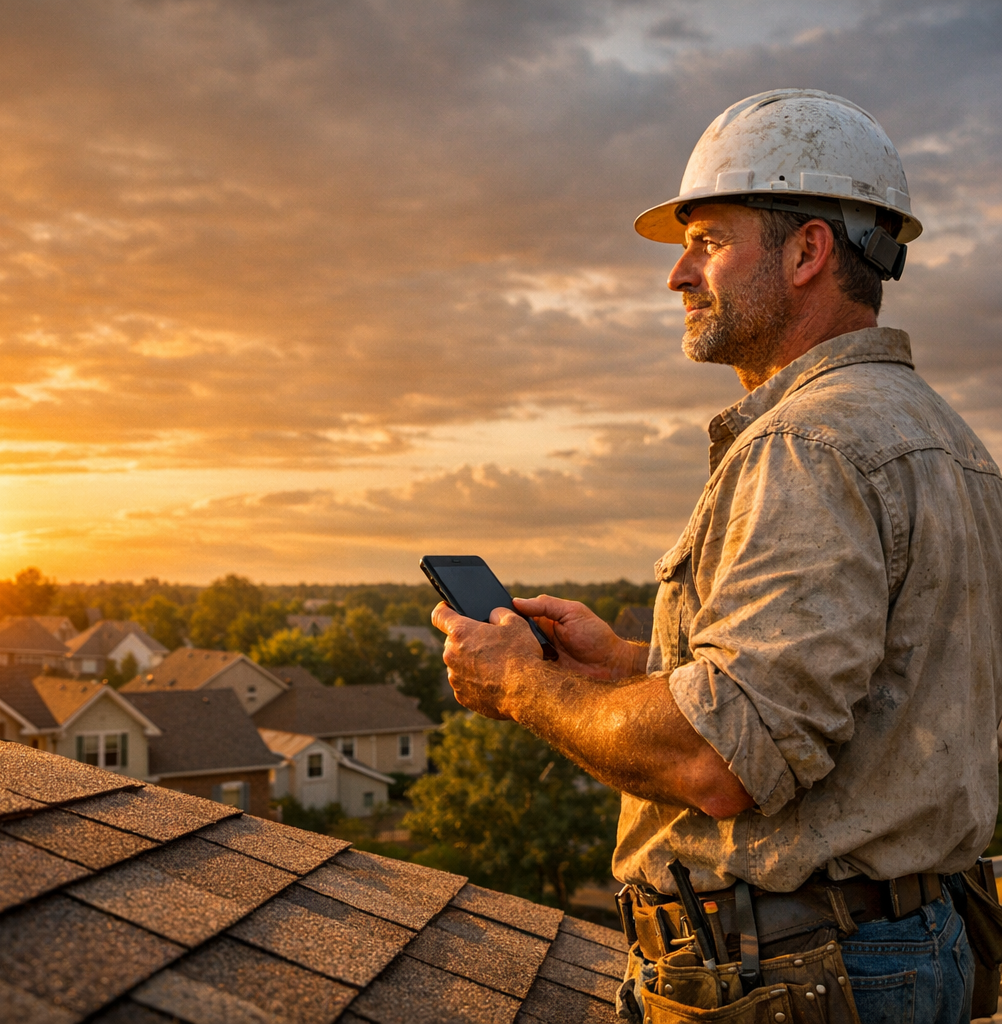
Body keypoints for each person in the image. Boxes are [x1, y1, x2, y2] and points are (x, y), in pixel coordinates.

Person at [432, 90, 1002, 1023]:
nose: (678, 275)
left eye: (707, 241)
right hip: (894, 948)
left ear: (808, 252)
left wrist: (520, 686)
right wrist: (628, 666)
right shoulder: (948, 440)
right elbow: (867, 693)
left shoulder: (809, 446)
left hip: (800, 975)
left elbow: (719, 761)